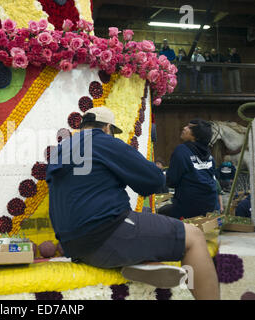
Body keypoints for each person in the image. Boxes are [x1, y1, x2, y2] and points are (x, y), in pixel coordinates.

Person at [46, 107, 220, 300]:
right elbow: (154, 181)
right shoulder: (105, 141)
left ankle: (143, 262)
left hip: (74, 246)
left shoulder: (62, 148)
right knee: (194, 237)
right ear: (107, 127)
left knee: (144, 225)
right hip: (106, 235)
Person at [162, 119, 218, 219]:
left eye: (189, 127)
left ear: (196, 135)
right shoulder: (208, 154)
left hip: (188, 206)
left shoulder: (182, 150)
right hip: (210, 205)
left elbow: (172, 181)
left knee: (161, 212)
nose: (184, 128)